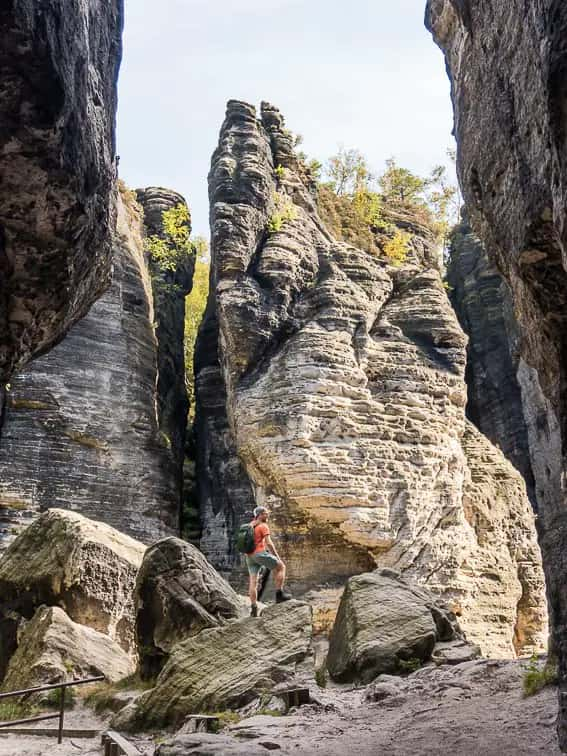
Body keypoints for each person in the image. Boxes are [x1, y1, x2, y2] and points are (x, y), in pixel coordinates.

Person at [246, 505, 291, 617]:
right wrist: (277, 557)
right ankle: (279, 595)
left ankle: (253, 608)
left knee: (253, 581)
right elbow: (269, 543)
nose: (268, 515)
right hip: (260, 553)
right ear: (260, 515)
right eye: (266, 513)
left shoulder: (250, 525)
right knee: (281, 567)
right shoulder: (263, 526)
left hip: (249, 556)